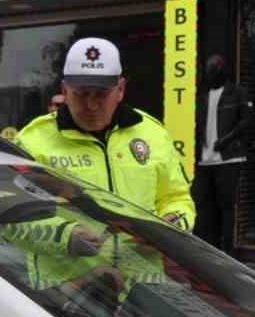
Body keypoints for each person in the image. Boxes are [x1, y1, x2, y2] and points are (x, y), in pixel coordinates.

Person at [16, 37, 195, 231]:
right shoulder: (31, 141)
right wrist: (66, 236)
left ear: (120, 89)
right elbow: (15, 214)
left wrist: (171, 227)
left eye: (101, 94)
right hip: (72, 260)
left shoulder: (152, 133)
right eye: (82, 94)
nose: (91, 105)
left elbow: (176, 198)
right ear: (65, 90)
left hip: (143, 261)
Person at [191, 53, 255, 252]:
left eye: (213, 72)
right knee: (203, 204)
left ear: (221, 71)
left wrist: (226, 140)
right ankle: (208, 248)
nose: (209, 76)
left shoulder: (237, 93)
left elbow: (247, 120)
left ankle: (227, 250)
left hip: (229, 158)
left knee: (226, 206)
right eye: (207, 72)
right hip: (204, 159)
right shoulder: (202, 94)